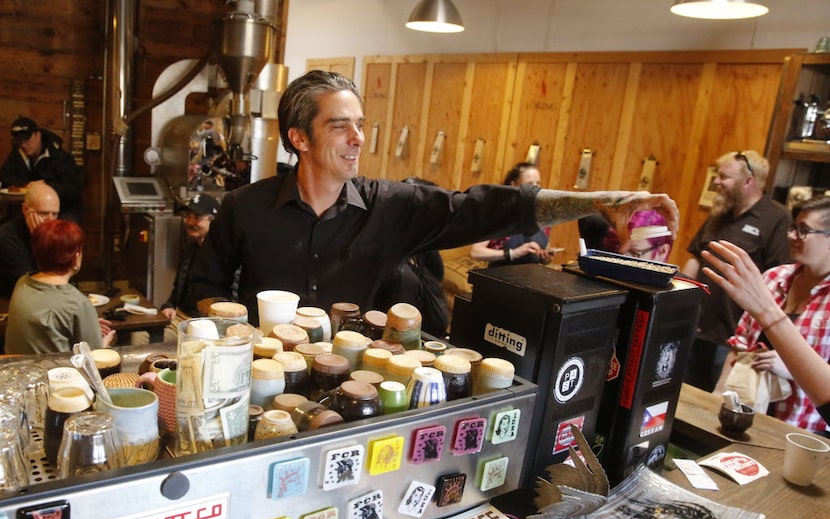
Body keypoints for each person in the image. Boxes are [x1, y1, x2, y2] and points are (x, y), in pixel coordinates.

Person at [191, 70, 678, 326]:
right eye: (341, 127)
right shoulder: (245, 208)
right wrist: (234, 324)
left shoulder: (392, 207)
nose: (358, 138)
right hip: (261, 382)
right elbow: (201, 289)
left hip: (360, 384)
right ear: (299, 138)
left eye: (361, 125)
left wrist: (599, 200)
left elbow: (485, 207)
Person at [709, 196, 830, 435]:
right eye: (793, 227)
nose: (792, 236)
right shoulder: (774, 278)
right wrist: (718, 395)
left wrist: (790, 367)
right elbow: (741, 343)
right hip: (746, 415)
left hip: (801, 431)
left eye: (804, 230)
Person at [681, 150, 791, 391]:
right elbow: (695, 259)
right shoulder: (719, 214)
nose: (717, 182)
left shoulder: (777, 219)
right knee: (685, 398)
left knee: (717, 406)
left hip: (734, 341)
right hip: (697, 328)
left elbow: (781, 282)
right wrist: (680, 302)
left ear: (748, 182)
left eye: (724, 177)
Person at [4, 219, 114, 354]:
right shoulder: (78, 303)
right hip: (53, 374)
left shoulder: (23, 282)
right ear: (75, 257)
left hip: (16, 369)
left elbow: (45, 322)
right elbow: (94, 359)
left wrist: (88, 323)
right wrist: (105, 343)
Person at [373, 177, 450, 337]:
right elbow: (400, 333)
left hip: (430, 337)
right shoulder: (399, 271)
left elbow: (437, 281)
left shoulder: (423, 251)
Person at [0, 117, 83, 222]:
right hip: (25, 211)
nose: (23, 145)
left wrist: (43, 187)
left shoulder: (60, 157)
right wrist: (28, 185)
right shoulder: (18, 153)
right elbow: (5, 177)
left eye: (27, 139)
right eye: (19, 141)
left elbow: (72, 189)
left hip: (60, 211)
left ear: (38, 135)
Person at [469, 163, 552, 266]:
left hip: (530, 278)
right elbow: (476, 252)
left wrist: (545, 256)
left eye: (538, 183)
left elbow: (544, 252)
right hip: (499, 278)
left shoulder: (543, 218)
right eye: (530, 184)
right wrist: (514, 253)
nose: (536, 188)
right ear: (514, 185)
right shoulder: (498, 214)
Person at [160, 193, 219, 321]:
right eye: (188, 216)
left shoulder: (223, 254)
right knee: (140, 337)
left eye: (197, 217)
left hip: (208, 322)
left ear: (213, 220)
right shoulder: (190, 249)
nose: (190, 222)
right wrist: (169, 305)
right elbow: (178, 288)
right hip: (180, 315)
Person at [0, 180, 60, 298]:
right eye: (43, 213)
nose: (51, 220)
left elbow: (62, 276)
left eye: (55, 214)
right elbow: (33, 285)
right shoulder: (7, 238)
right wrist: (40, 241)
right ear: (25, 210)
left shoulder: (52, 232)